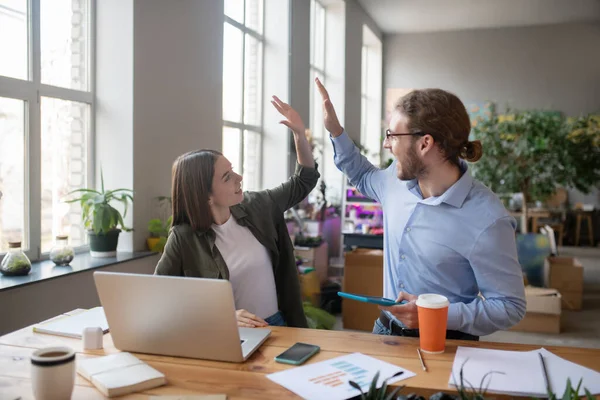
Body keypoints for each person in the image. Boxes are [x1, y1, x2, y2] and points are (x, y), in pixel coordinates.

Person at [277, 78, 526, 339]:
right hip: (385, 331)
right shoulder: (395, 183)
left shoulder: (487, 219)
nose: (387, 144)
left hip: (445, 340)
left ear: (424, 143)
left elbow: (510, 306)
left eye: (392, 135)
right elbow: (362, 175)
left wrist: (436, 313)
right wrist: (336, 131)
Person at [155, 95, 319, 328]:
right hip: (229, 334)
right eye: (227, 177)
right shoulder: (183, 238)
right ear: (205, 195)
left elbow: (304, 180)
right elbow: (159, 297)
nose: (239, 178)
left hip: (280, 326)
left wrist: (300, 136)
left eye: (233, 170)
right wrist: (221, 316)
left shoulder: (259, 205)